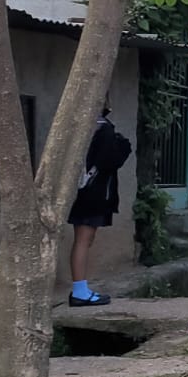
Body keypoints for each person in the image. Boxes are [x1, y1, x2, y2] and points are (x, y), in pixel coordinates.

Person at [67, 101, 132, 307]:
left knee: (84, 240)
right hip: (92, 193)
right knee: (83, 240)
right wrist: (123, 146)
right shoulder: (101, 128)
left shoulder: (82, 126)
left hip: (85, 191)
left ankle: (81, 289)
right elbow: (110, 160)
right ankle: (79, 292)